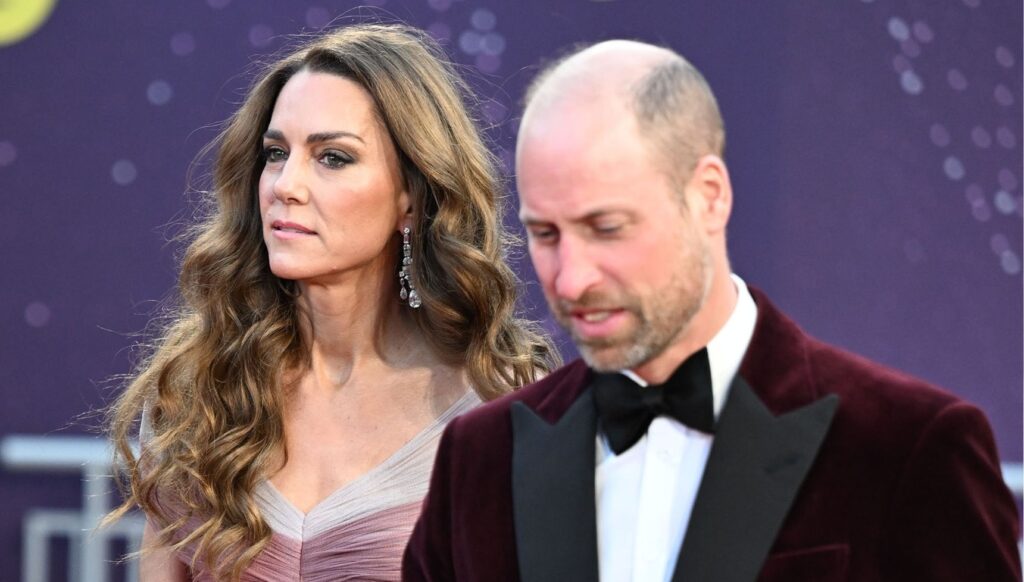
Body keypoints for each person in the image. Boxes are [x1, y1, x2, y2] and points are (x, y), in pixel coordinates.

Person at [403, 40, 1021, 581]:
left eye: (607, 227)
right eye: (545, 234)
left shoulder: (907, 447)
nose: (572, 276)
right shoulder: (481, 459)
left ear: (709, 197)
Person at [105, 23, 557, 581]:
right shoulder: (198, 391)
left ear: (411, 198)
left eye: (333, 158)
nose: (285, 184)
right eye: (275, 153)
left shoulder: (499, 401)